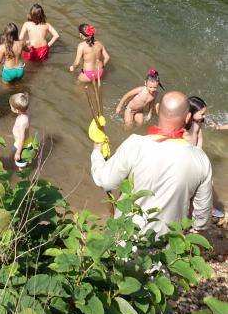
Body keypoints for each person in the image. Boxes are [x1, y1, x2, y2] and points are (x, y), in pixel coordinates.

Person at [91, 90, 213, 235]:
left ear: (156, 109)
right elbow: (202, 213)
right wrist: (196, 228)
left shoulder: (134, 145)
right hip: (168, 246)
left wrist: (97, 151)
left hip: (128, 238)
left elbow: (105, 181)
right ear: (187, 117)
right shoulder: (200, 159)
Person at [10, 92, 32, 169]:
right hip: (27, 142)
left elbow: (22, 139)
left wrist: (18, 153)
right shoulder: (27, 113)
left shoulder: (22, 122)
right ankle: (26, 164)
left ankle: (22, 177)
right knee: (25, 162)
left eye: (11, 106)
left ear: (16, 110)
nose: (10, 107)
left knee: (21, 166)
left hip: (22, 147)